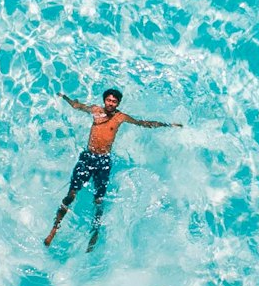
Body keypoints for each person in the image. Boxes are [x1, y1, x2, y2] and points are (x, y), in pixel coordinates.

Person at [45, 87, 183, 251]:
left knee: (98, 200)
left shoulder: (120, 117)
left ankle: (94, 231)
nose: (111, 103)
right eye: (109, 100)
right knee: (71, 194)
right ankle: (55, 227)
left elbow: (143, 123)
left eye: (114, 101)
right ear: (105, 100)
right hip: (88, 157)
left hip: (103, 161)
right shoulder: (96, 111)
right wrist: (65, 96)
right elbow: (77, 106)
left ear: (118, 103)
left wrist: (168, 125)